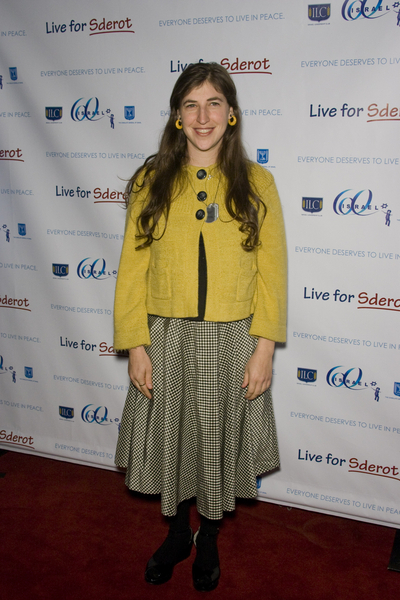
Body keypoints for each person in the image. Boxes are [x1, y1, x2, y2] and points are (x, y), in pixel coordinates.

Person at [113, 62, 287, 591]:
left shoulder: (258, 182)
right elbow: (131, 269)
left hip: (234, 338)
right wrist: (136, 344)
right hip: (167, 336)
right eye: (191, 104)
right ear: (176, 116)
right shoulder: (150, 179)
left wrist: (264, 349)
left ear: (231, 114)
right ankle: (174, 534)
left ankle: (208, 536)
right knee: (174, 441)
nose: (203, 114)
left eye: (214, 103)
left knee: (216, 445)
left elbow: (271, 273)